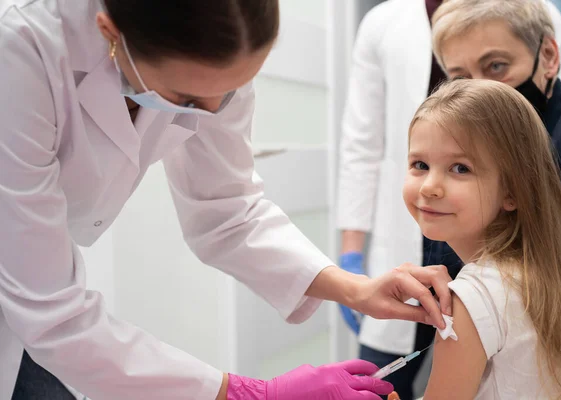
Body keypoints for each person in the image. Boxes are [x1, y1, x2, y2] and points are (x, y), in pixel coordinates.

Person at [0, 1, 455, 399]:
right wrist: (250, 393)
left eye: (233, 88)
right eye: (187, 99)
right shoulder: (21, 51)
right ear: (110, 34)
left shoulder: (214, 68)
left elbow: (229, 210)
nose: (214, 112)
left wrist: (354, 289)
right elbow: (50, 310)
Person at [336, 0, 561, 398]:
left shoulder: (480, 296)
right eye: (418, 165)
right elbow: (361, 143)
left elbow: (537, 127)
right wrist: (350, 257)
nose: (430, 185)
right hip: (427, 246)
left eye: (495, 67)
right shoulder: (384, 23)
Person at [403, 78, 561, 399]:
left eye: (460, 168)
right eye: (420, 165)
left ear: (512, 190)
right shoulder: (544, 274)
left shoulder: (470, 299)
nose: (429, 186)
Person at [432, 0, 561, 285]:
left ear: (548, 56)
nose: (481, 90)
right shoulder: (482, 153)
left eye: (496, 66)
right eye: (460, 77)